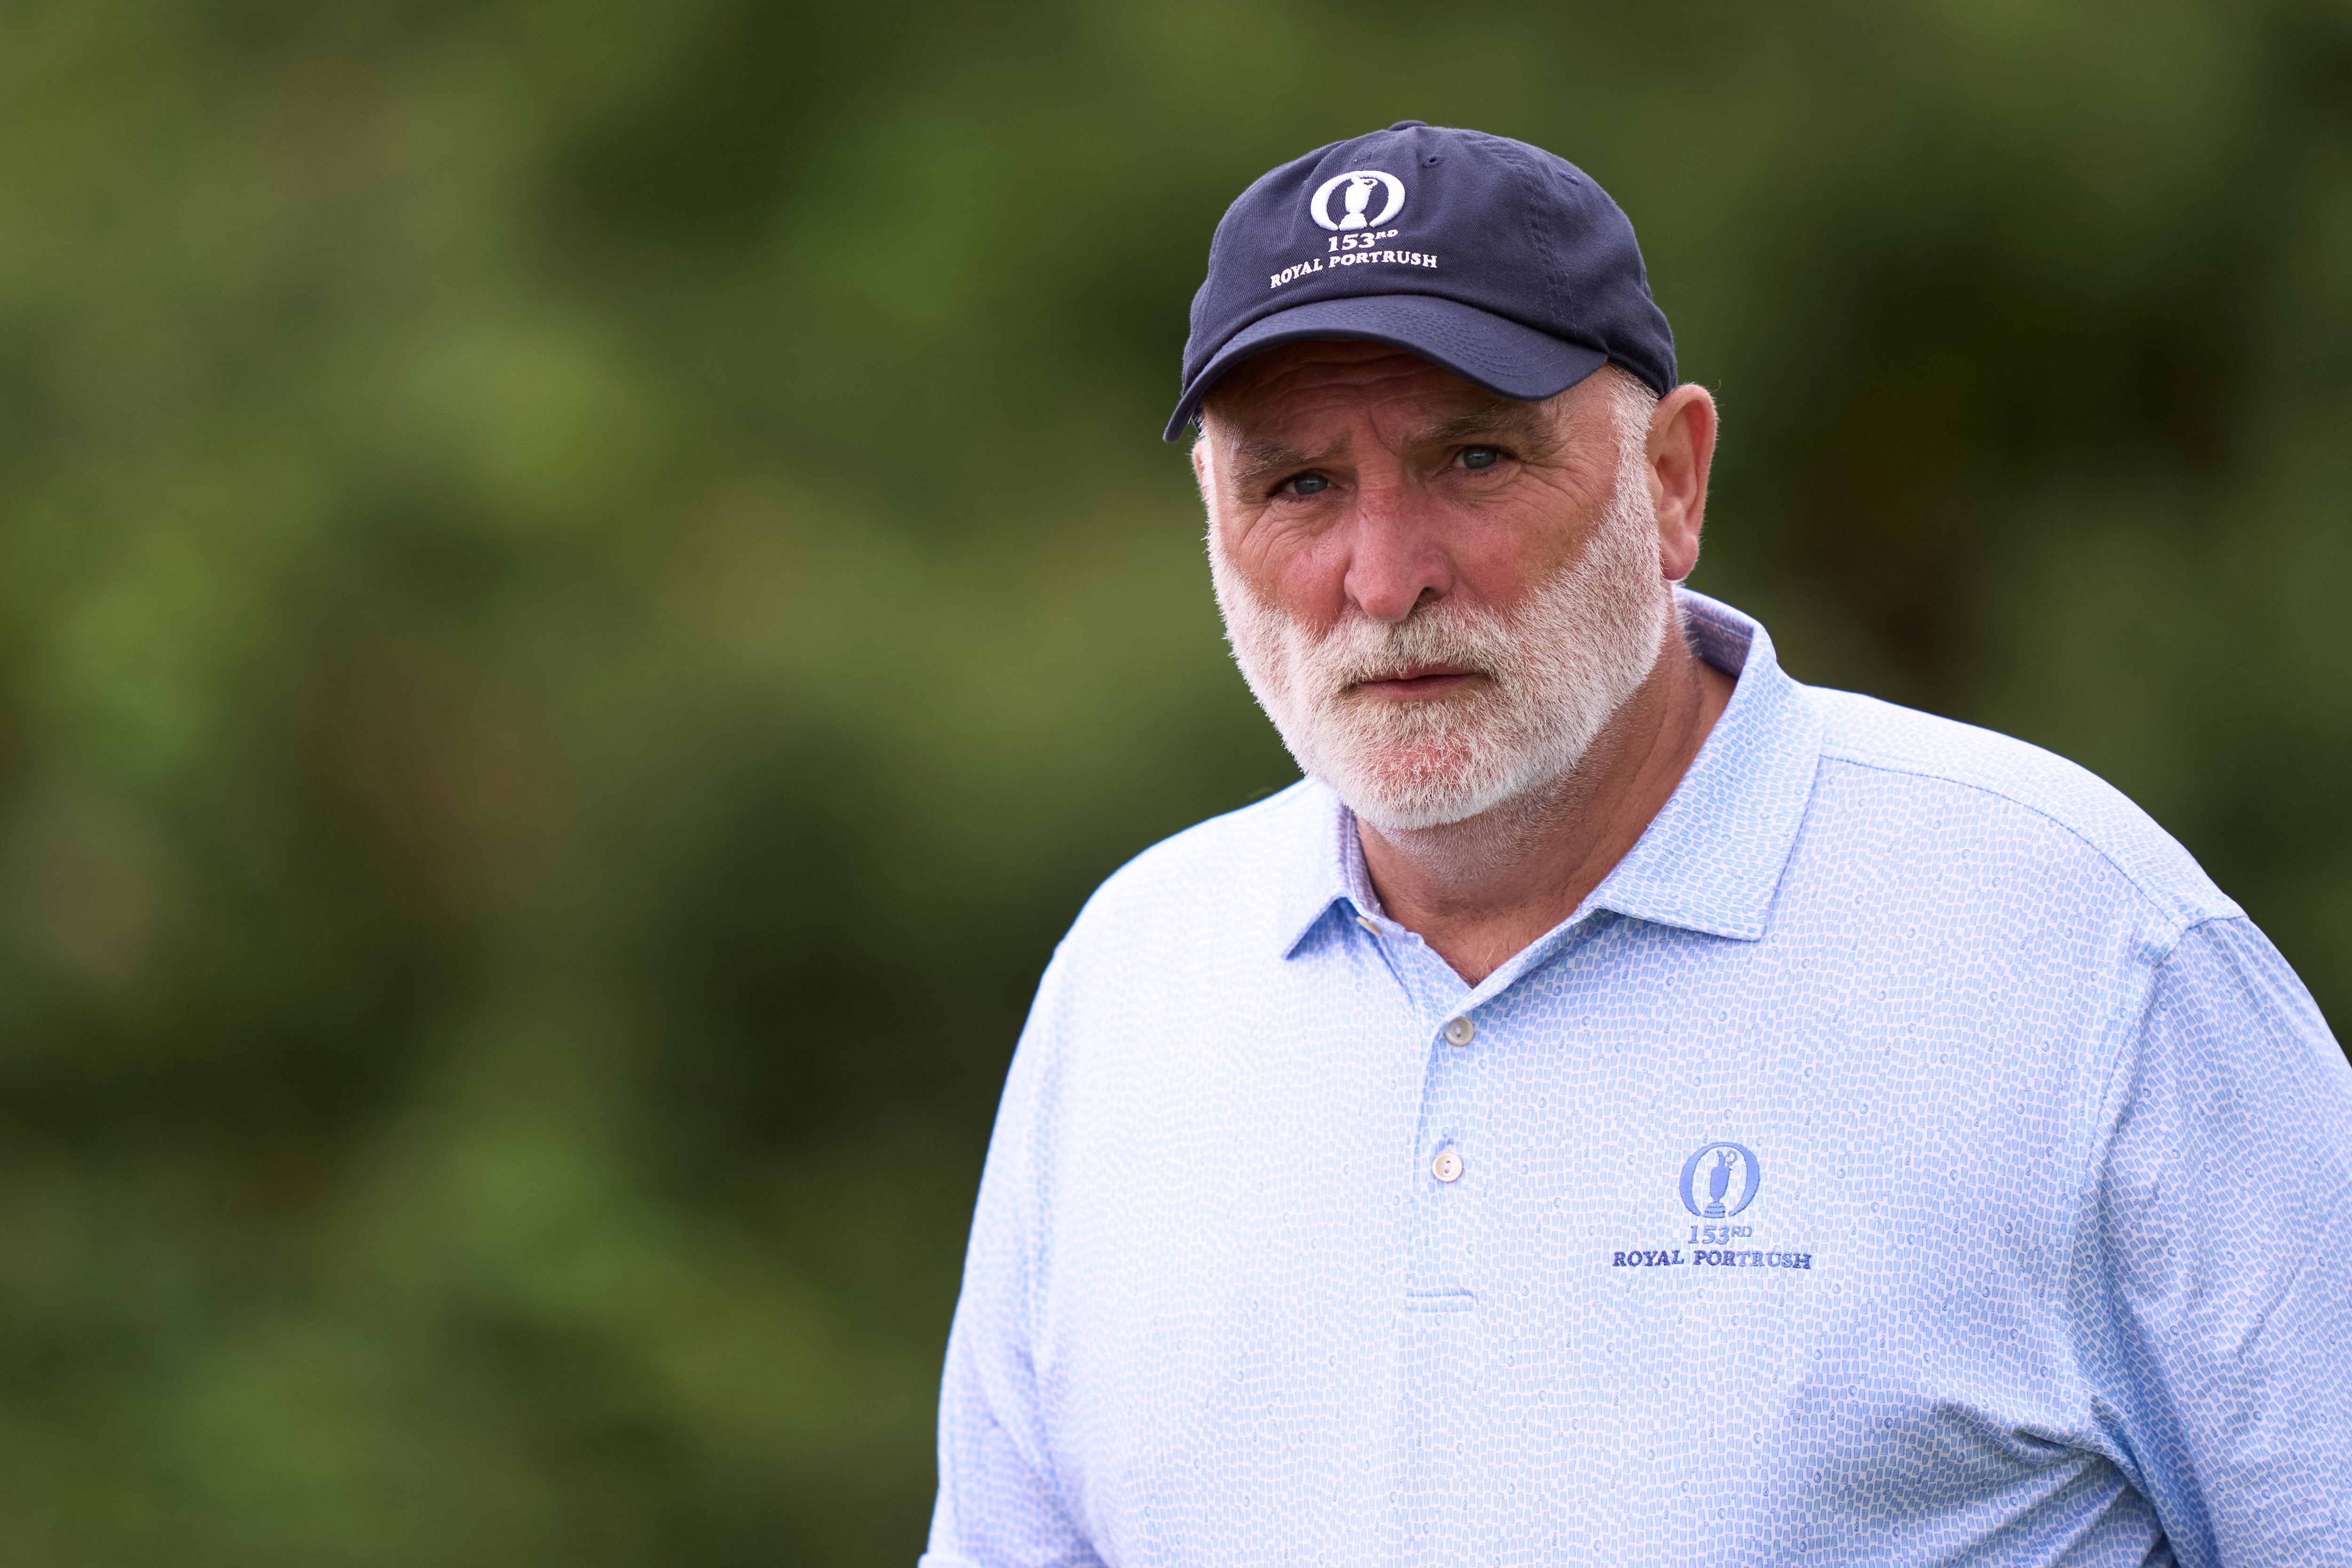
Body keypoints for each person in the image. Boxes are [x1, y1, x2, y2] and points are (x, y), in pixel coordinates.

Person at [921, 122, 2352, 1567]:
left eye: (1475, 458)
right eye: (1298, 486)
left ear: (1673, 480)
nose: (1382, 575)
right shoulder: (1132, 980)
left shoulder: (2086, 947)